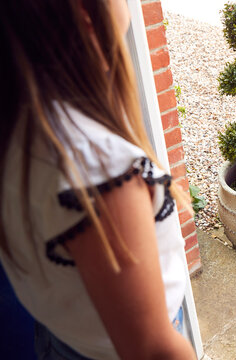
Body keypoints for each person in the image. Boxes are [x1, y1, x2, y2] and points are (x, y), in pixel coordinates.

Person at [0, 1, 197, 359]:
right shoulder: (99, 169)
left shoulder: (20, 125)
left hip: (61, 338)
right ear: (85, 14)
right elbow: (153, 349)